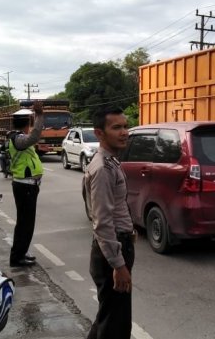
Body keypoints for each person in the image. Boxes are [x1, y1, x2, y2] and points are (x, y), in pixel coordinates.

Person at [83, 107, 133, 339]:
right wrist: (118, 265)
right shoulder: (102, 168)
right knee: (116, 324)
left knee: (109, 314)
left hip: (116, 245)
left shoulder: (111, 161)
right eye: (116, 127)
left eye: (125, 126)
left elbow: (117, 206)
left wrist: (129, 228)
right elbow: (102, 221)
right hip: (110, 252)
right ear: (99, 133)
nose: (124, 132)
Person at [8, 103, 44, 267]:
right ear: (27, 123)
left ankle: (21, 252)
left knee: (26, 223)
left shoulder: (17, 137)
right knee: (25, 224)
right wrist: (39, 115)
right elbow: (34, 137)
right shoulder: (19, 138)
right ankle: (17, 257)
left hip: (27, 186)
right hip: (25, 186)